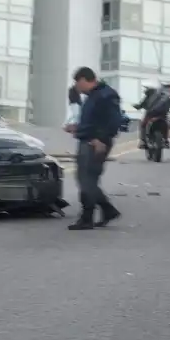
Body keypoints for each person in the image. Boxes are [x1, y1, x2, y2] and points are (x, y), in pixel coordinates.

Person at [64, 66, 123, 230]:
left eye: (78, 82)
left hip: (94, 143)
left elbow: (114, 120)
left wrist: (101, 139)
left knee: (86, 180)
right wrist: (77, 128)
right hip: (87, 139)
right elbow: (93, 120)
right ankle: (106, 210)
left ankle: (88, 216)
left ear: (84, 80)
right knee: (87, 180)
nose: (77, 87)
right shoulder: (92, 96)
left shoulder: (106, 95)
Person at [134, 82, 170, 150]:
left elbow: (141, 105)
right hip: (162, 116)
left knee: (143, 124)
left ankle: (143, 141)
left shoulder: (149, 95)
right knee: (167, 124)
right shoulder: (164, 95)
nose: (145, 90)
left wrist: (136, 106)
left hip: (150, 115)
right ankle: (166, 141)